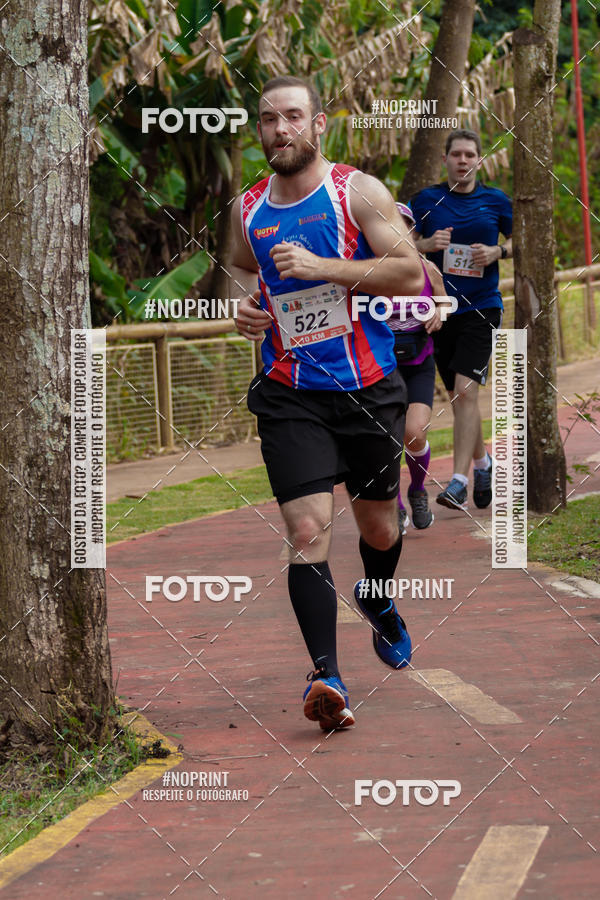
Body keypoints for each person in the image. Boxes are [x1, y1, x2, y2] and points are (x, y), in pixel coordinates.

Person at [231, 75, 424, 731]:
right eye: (267, 119)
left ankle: (379, 600)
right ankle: (326, 676)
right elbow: (242, 265)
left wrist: (324, 268)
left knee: (380, 530)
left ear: (319, 126)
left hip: (369, 389)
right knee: (308, 531)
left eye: (292, 117)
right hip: (290, 394)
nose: (279, 130)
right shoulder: (248, 209)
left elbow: (408, 273)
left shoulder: (356, 192)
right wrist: (247, 307)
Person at [411, 129, 513, 510]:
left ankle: (458, 483)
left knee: (465, 392)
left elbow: (526, 238)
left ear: (480, 161)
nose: (464, 161)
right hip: (439, 309)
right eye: (457, 155)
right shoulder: (426, 199)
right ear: (446, 159)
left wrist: (498, 250)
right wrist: (425, 245)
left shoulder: (496, 201)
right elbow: (397, 242)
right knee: (459, 398)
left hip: (482, 307)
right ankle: (483, 465)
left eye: (471, 155)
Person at [390, 202, 445, 532]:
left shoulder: (428, 270)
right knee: (385, 440)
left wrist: (438, 314)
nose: (400, 231)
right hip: (381, 366)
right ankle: (394, 505)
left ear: (414, 232)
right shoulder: (368, 271)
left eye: (406, 225)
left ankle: (417, 489)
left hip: (419, 363)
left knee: (413, 433)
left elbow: (442, 304)